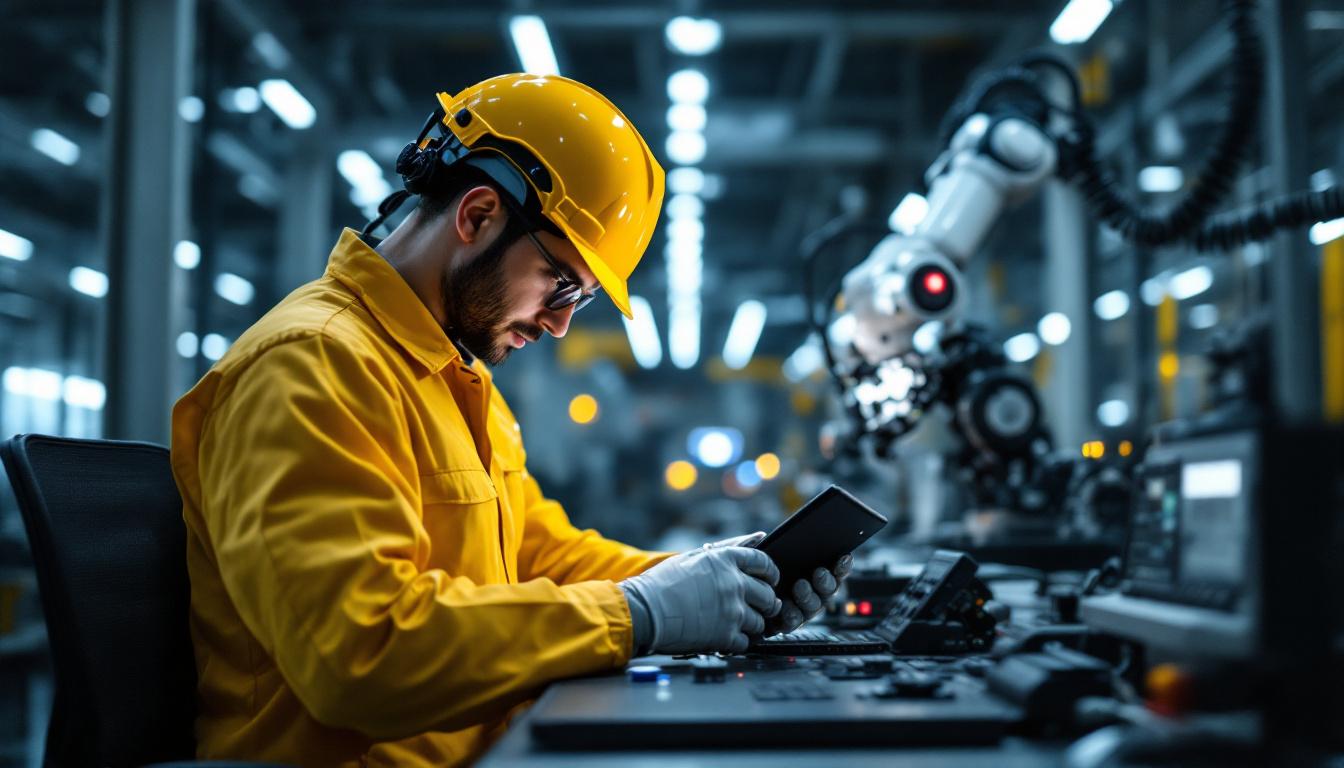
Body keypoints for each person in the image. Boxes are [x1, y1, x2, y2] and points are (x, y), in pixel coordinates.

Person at [170, 73, 851, 767]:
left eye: (579, 301)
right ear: (478, 215)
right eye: (562, 284)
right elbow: (358, 655)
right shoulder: (312, 365)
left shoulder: (458, 381)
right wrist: (640, 615)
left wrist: (717, 580)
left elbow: (542, 558)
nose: (559, 325)